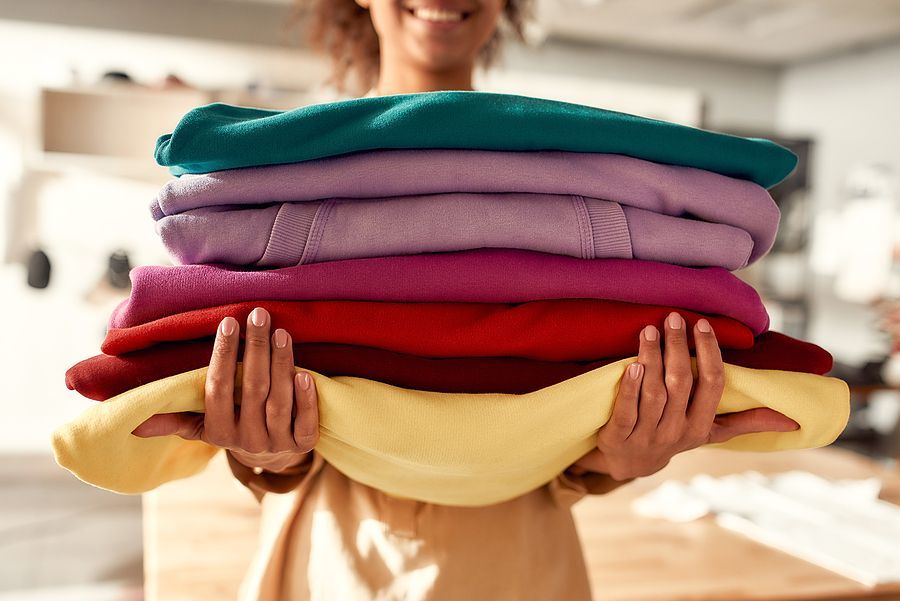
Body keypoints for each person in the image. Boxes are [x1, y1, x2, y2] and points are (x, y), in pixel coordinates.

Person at [134, 1, 800, 598]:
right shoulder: (278, 180)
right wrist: (267, 450)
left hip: (517, 562)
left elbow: (578, 389)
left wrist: (622, 455)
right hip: (331, 555)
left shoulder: (575, 173)